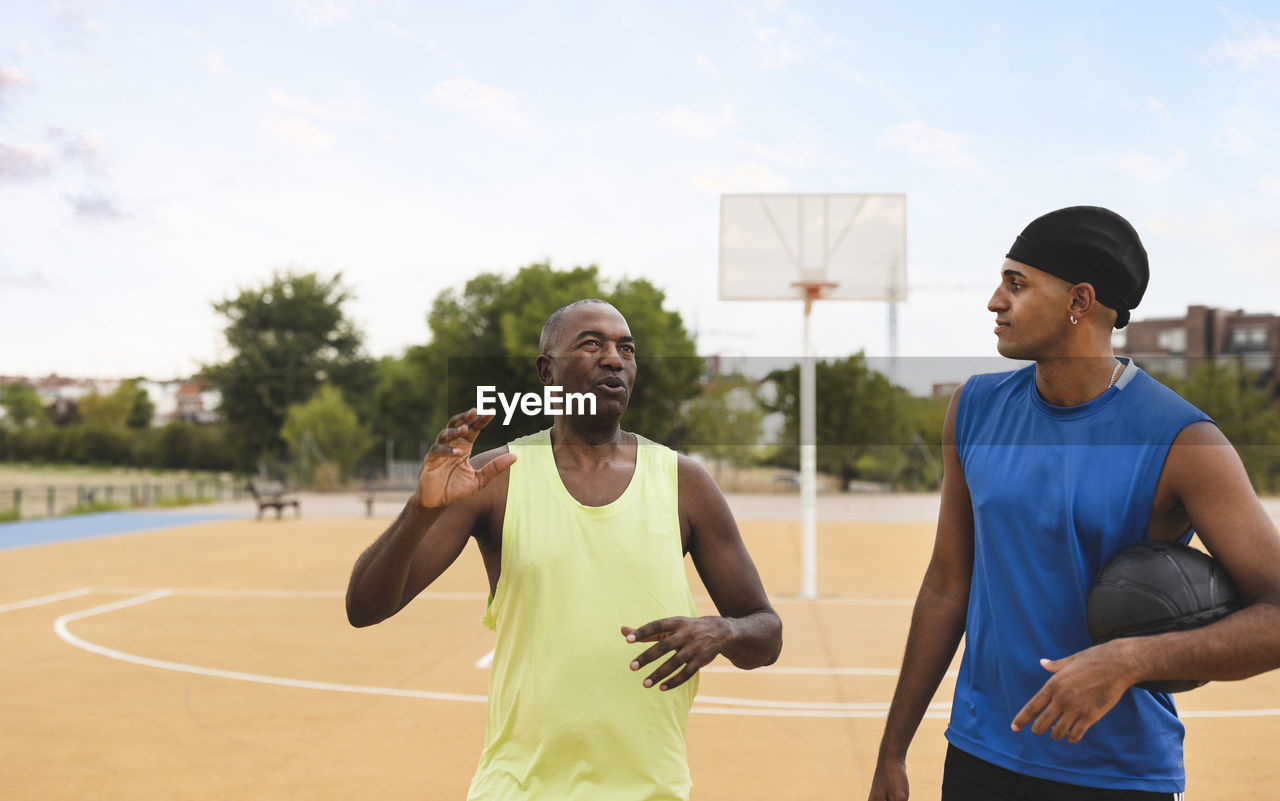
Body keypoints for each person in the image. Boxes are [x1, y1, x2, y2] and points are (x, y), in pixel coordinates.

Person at [868, 206, 1280, 800]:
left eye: (1017, 284)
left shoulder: (1183, 441)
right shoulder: (974, 408)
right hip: (981, 754)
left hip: (1118, 775)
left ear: (1079, 302)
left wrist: (1131, 660)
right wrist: (892, 751)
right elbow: (946, 584)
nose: (994, 301)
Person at [346, 298, 783, 801]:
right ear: (547, 371)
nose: (614, 358)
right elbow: (365, 607)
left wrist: (724, 630)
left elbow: (766, 634)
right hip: (518, 789)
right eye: (591, 344)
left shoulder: (684, 483)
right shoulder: (496, 478)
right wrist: (419, 511)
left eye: (626, 348)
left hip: (651, 791)